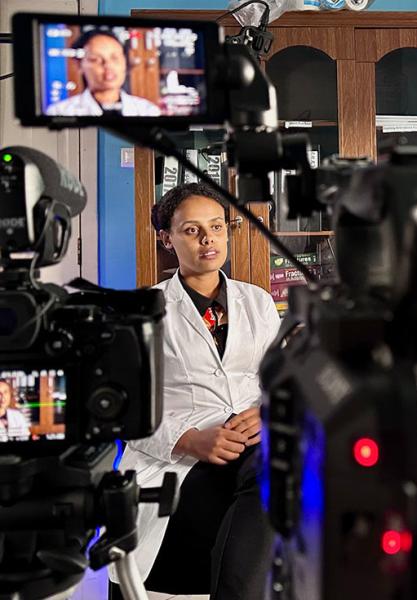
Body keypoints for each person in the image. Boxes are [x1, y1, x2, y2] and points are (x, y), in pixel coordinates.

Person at [108, 183, 281, 599]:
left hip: (252, 447)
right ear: (166, 238)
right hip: (176, 455)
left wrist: (266, 411)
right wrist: (190, 440)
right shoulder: (142, 312)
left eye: (217, 227)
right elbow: (120, 408)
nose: (208, 240)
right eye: (191, 230)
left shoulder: (257, 301)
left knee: (280, 466)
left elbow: (282, 380)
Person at [45, 29, 161, 117]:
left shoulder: (148, 111)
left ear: (125, 62)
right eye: (95, 59)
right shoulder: (59, 112)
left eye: (114, 58)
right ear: (79, 65)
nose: (107, 65)